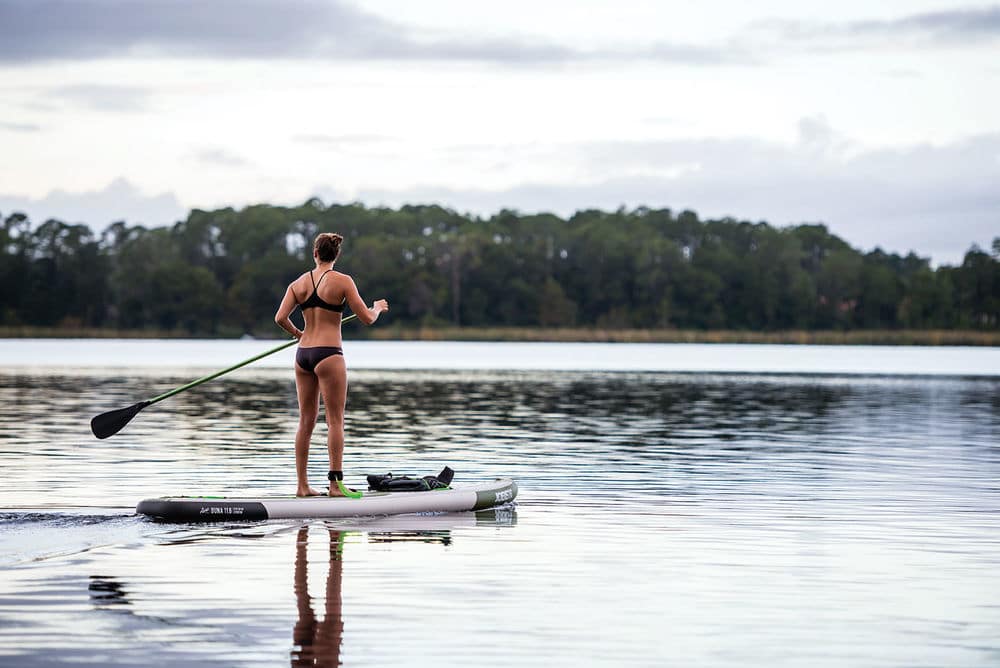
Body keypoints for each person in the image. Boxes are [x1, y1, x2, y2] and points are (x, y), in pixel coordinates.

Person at [274, 232, 388, 497]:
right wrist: (378, 307)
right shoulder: (343, 281)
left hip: (303, 356)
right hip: (328, 353)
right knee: (335, 421)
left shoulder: (298, 284)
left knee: (305, 421)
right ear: (335, 255)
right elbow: (367, 318)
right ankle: (335, 485)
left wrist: (299, 334)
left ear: (315, 253)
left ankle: (302, 486)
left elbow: (280, 317)